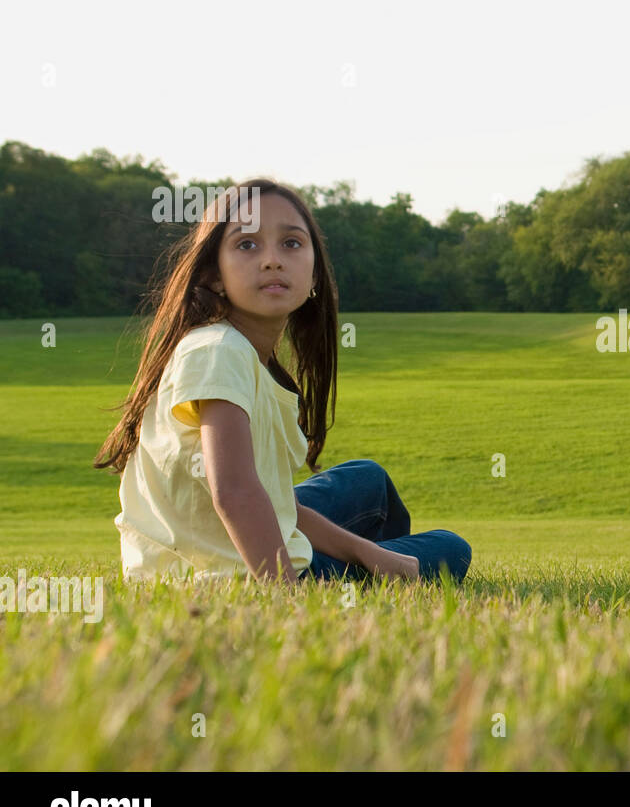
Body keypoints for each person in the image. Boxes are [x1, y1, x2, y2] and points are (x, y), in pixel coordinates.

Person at [93, 179, 471, 587]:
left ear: (314, 275)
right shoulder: (221, 351)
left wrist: (372, 553)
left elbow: (274, 499)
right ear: (214, 276)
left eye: (291, 243)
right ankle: (369, 576)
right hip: (228, 575)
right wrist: (286, 595)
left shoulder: (233, 350)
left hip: (205, 550)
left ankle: (373, 566)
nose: (272, 260)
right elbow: (234, 492)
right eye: (247, 245)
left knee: (368, 479)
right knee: (452, 548)